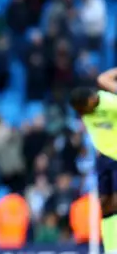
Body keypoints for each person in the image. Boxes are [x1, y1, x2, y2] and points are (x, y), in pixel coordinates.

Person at [70, 68, 117, 253]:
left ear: (90, 101)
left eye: (82, 108)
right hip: (103, 158)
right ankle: (111, 247)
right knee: (104, 203)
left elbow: (103, 79)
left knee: (115, 201)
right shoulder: (85, 111)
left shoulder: (111, 103)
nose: (81, 114)